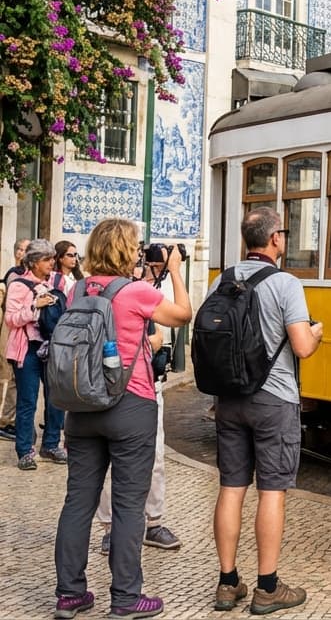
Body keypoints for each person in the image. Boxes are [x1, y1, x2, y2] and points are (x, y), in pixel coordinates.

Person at [52, 219, 191, 620]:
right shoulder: (136, 291)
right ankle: (127, 598)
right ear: (126, 251)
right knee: (130, 506)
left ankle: (70, 594)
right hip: (130, 405)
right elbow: (182, 315)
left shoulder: (78, 288)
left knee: (78, 500)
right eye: (134, 247)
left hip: (81, 407)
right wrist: (176, 271)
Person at [212, 207, 322, 615]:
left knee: (231, 488)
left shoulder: (221, 279)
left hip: (229, 398)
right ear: (275, 238)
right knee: (271, 491)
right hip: (274, 400)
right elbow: (302, 347)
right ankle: (267, 587)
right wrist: (317, 332)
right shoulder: (285, 283)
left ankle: (227, 584)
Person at [96, 259, 181, 556]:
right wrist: (177, 272)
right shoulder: (103, 292)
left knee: (155, 458)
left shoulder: (142, 292)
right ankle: (111, 529)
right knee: (111, 466)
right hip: (117, 389)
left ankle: (153, 522)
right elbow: (178, 318)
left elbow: (159, 334)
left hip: (145, 385)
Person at [4, 238, 66, 470]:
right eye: (46, 259)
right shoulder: (19, 285)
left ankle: (51, 444)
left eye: (52, 258)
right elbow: (11, 319)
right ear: (34, 262)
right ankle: (25, 450)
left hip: (52, 346)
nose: (51, 263)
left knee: (56, 398)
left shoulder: (58, 283)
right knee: (27, 401)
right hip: (27, 349)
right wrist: (34, 306)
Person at [0, 237, 29, 441]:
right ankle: (5, 420)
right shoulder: (14, 276)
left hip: (18, 330)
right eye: (21, 249)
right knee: (8, 377)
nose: (24, 253)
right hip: (11, 329)